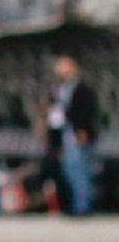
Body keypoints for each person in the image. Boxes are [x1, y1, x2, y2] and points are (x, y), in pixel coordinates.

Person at [44, 55, 100, 216]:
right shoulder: (58, 89)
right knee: (69, 171)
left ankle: (83, 206)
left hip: (78, 135)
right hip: (64, 136)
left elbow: (87, 111)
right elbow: (55, 114)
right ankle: (73, 204)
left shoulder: (82, 89)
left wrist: (83, 130)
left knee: (80, 171)